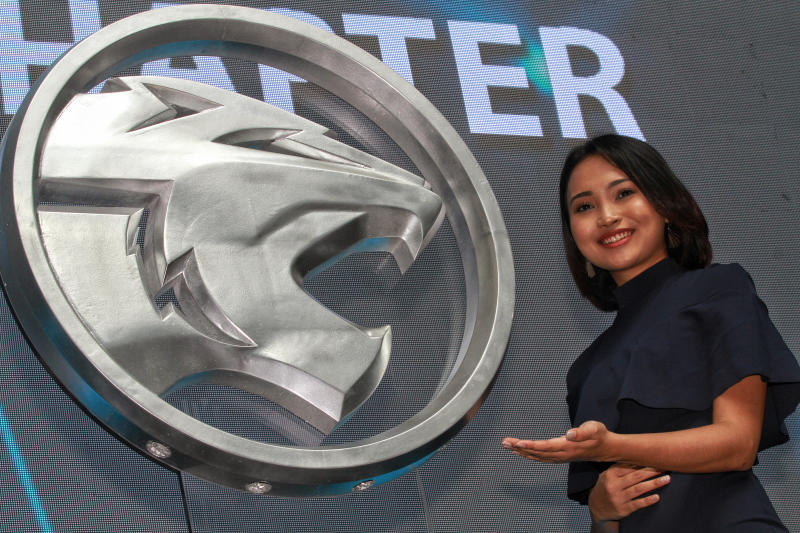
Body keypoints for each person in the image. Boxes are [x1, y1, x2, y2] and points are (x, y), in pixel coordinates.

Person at [502, 134, 800, 532]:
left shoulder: (718, 288)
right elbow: (611, 521)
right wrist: (601, 510)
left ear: (665, 206)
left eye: (624, 193)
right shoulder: (587, 370)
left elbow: (738, 444)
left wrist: (612, 446)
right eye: (585, 206)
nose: (607, 216)